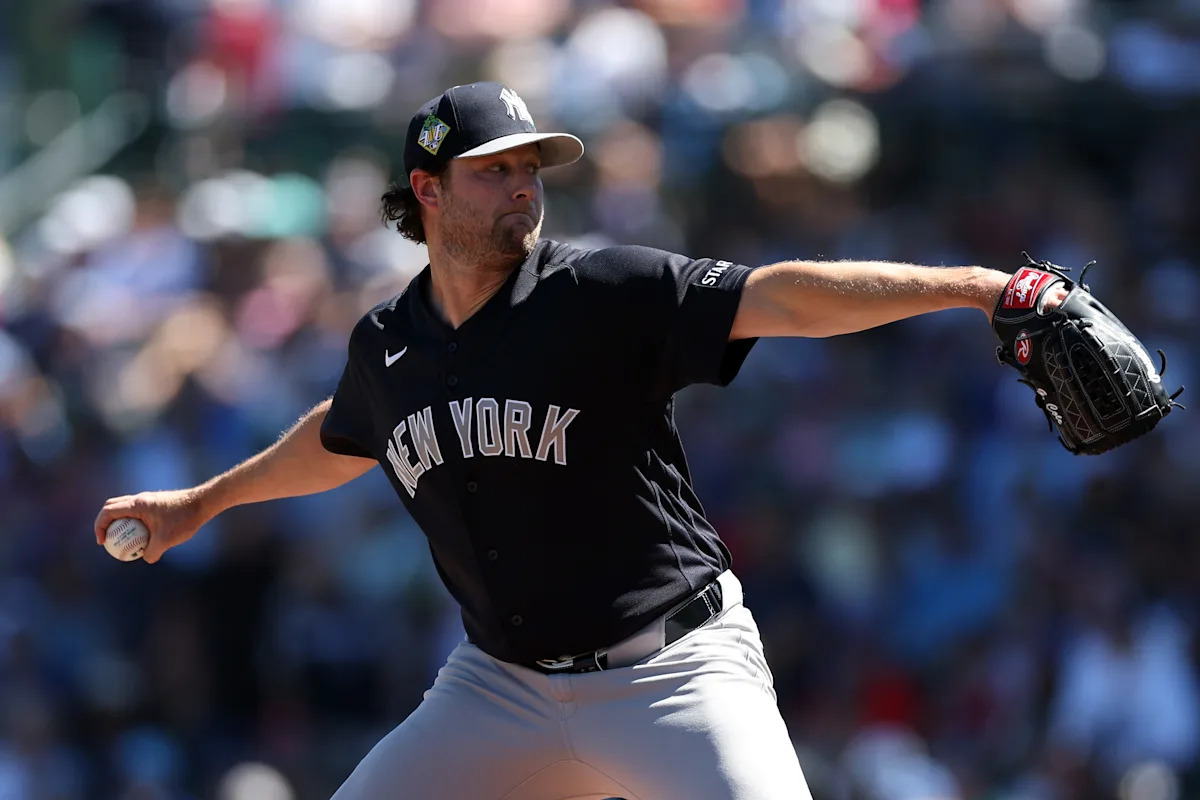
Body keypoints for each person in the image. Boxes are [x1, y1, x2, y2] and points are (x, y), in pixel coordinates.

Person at [95, 81, 1064, 800]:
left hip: (674, 671)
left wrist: (978, 287)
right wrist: (200, 502)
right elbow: (347, 433)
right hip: (500, 688)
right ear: (427, 191)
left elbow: (780, 294)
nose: (524, 188)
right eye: (495, 170)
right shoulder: (389, 343)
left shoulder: (601, 289)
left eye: (531, 168)